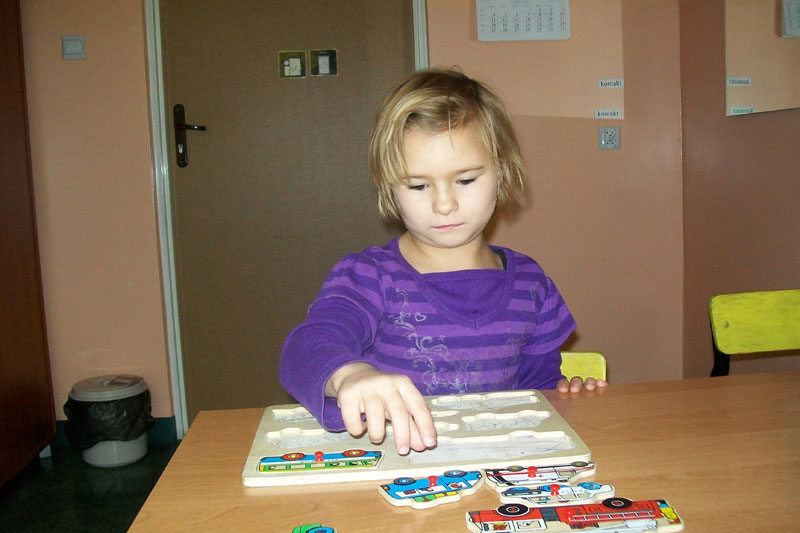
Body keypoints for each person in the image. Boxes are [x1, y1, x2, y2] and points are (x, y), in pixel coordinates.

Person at [279, 67, 607, 456]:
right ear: (390, 188)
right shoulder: (368, 277)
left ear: (501, 172)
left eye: (465, 180)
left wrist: (566, 397)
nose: (444, 203)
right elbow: (305, 348)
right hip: (395, 468)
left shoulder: (531, 285)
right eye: (418, 185)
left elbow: (538, 394)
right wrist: (349, 375)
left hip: (492, 470)